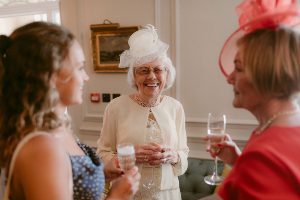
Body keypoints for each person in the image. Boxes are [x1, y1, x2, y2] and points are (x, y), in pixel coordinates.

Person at [0, 21, 140, 200]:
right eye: (80, 67)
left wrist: (98, 176)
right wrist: (117, 197)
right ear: (49, 74)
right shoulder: (41, 147)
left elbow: (67, 182)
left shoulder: (55, 127)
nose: (86, 77)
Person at [203, 0, 300, 199]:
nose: (229, 78)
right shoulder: (277, 129)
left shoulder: (266, 155)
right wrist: (239, 161)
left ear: (265, 74)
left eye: (238, 68)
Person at [97, 24, 189, 200]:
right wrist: (130, 156)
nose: (152, 76)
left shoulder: (176, 107)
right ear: (134, 76)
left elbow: (183, 152)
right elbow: (102, 154)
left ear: (167, 75)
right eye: (143, 71)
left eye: (158, 69)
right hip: (128, 193)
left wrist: (174, 156)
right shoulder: (116, 107)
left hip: (168, 195)